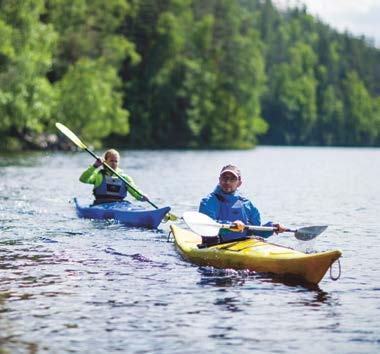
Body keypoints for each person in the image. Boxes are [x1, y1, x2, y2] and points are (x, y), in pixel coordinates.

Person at [199, 164, 286, 246]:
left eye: (232, 179)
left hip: (244, 245)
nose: (227, 182)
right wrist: (230, 226)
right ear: (219, 180)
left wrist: (273, 227)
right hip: (216, 245)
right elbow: (207, 226)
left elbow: (257, 231)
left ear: (239, 183)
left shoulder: (246, 204)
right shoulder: (208, 201)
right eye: (224, 178)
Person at [79, 149, 148, 204]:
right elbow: (83, 179)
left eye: (116, 161)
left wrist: (141, 196)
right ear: (105, 162)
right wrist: (95, 166)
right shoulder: (98, 176)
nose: (114, 163)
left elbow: (135, 191)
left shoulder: (125, 178)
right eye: (111, 161)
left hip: (119, 206)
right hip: (100, 205)